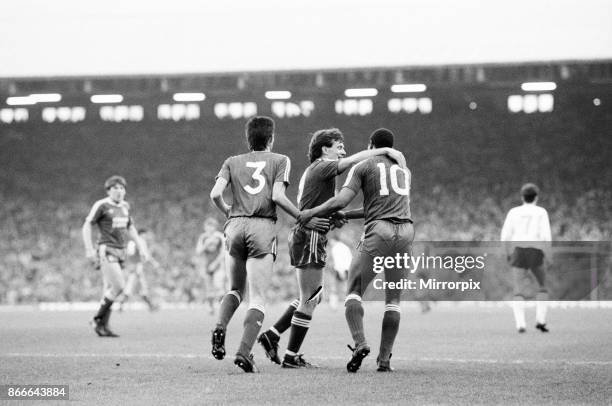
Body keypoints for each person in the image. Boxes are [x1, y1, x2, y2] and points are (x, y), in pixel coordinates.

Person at [257, 128, 406, 368]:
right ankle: (291, 356)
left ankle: (272, 335)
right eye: (338, 146)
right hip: (311, 235)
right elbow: (349, 163)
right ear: (325, 149)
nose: (343, 151)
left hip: (309, 234)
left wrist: (335, 215)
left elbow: (320, 203)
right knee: (311, 297)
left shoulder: (316, 171)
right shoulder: (323, 166)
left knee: (311, 296)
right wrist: (383, 150)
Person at [209, 116, 329, 373]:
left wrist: (228, 212)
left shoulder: (231, 161)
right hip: (261, 226)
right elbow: (277, 196)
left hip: (234, 224)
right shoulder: (280, 160)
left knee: (235, 289)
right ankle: (243, 352)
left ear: (248, 139)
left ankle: (220, 326)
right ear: (271, 139)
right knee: (258, 298)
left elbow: (215, 194)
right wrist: (302, 217)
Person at [298, 128, 414, 373]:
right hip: (405, 232)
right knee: (393, 300)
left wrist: (311, 213)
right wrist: (347, 216)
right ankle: (384, 361)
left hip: (378, 230)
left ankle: (360, 343)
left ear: (371, 145)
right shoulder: (405, 171)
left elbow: (340, 200)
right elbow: (380, 206)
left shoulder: (364, 166)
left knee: (353, 291)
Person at [82, 175, 150, 337]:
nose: (119, 191)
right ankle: (96, 319)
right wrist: (89, 249)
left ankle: (103, 327)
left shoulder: (125, 206)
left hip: (121, 251)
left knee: (110, 290)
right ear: (108, 190)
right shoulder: (102, 205)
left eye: (121, 188)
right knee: (119, 286)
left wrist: (142, 247)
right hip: (107, 249)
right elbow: (87, 225)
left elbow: (131, 228)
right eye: (115, 188)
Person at [501, 183, 552, 333]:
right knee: (542, 287)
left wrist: (507, 252)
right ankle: (541, 321)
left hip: (519, 250)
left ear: (522, 197)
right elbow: (546, 236)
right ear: (536, 197)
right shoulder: (541, 212)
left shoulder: (513, 212)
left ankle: (520, 324)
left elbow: (505, 235)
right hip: (535, 250)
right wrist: (549, 255)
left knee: (518, 288)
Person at [118, 228, 159, 312]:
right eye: (145, 234)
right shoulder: (140, 241)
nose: (146, 236)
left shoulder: (132, 242)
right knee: (137, 287)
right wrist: (153, 263)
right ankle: (150, 305)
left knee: (135, 286)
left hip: (133, 266)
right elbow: (145, 255)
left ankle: (150, 305)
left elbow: (128, 254)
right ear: (142, 234)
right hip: (137, 267)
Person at [195, 217, 226, 314]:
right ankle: (211, 308)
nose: (210, 229)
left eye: (212, 226)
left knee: (218, 285)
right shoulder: (203, 237)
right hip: (206, 265)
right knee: (209, 288)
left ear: (215, 227)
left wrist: (215, 263)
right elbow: (198, 252)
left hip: (218, 265)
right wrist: (205, 245)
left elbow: (224, 252)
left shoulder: (220, 236)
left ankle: (224, 308)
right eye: (208, 227)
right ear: (205, 227)